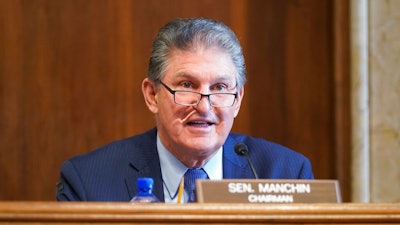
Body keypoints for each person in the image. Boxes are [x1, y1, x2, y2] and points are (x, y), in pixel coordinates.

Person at [56, 17, 313, 202]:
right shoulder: (88, 182)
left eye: (220, 87)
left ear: (238, 99)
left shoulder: (287, 174)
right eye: (187, 85)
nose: (204, 105)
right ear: (152, 95)